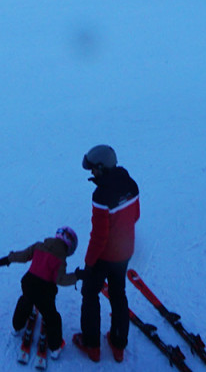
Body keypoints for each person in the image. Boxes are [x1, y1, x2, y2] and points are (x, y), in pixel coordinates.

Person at [73, 144, 138, 362]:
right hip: (125, 252)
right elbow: (135, 216)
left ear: (102, 167)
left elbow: (99, 236)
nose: (92, 172)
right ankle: (118, 345)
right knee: (118, 295)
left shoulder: (101, 195)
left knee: (90, 293)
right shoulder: (131, 185)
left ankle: (91, 345)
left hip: (105, 256)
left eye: (93, 168)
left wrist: (89, 264)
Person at [0, 226, 78, 359]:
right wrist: (77, 276)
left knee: (25, 300)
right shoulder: (60, 258)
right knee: (52, 317)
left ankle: (17, 326)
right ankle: (55, 347)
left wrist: (9, 258)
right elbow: (61, 279)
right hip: (45, 292)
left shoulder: (39, 245)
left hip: (28, 283)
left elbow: (23, 255)